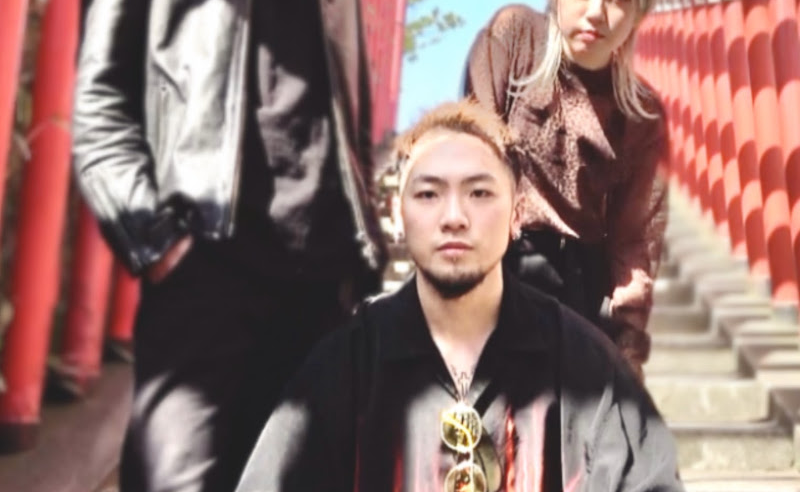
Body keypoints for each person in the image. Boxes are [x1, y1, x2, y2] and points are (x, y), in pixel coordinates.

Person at [72, 0, 386, 492]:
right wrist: (153, 238)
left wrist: (367, 253)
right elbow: (100, 97)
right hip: (204, 264)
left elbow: (352, 114)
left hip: (319, 280)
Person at [234, 99, 683, 492]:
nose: (454, 216)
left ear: (517, 214)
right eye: (429, 194)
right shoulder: (344, 368)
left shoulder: (586, 365)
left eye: (479, 193)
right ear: (398, 215)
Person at [464, 0, 667, 379]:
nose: (597, 11)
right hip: (502, 267)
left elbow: (633, 236)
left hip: (580, 290)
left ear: (640, 10)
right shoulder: (515, 37)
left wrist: (628, 340)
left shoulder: (641, 113)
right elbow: (474, 148)